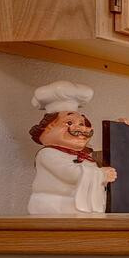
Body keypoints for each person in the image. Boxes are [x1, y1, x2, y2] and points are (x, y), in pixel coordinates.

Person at [26, 81, 122, 214]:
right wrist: (101, 174)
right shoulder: (48, 154)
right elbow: (70, 173)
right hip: (52, 210)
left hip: (81, 215)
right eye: (69, 122)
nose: (80, 128)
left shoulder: (87, 157)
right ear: (48, 128)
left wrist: (123, 130)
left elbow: (115, 157)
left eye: (82, 123)